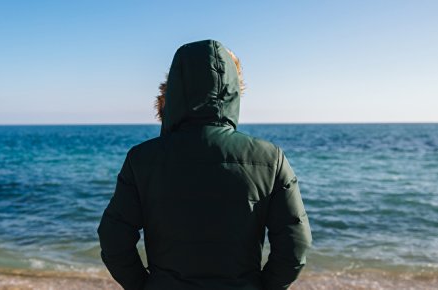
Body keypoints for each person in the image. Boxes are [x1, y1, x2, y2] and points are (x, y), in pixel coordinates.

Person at [97, 39, 312, 290]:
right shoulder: (270, 158)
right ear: (233, 90)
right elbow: (295, 245)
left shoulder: (142, 159)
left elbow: (114, 240)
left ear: (175, 88)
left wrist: (145, 285)